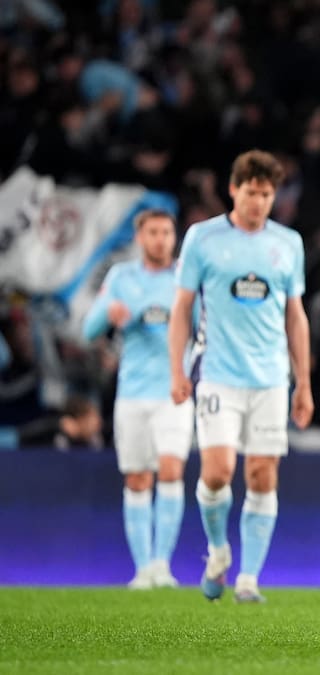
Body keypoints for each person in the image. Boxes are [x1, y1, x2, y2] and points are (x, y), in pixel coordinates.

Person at [168, 150, 313, 603]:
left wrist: (303, 382)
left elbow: (296, 316)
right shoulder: (203, 238)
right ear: (234, 190)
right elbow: (182, 308)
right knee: (217, 472)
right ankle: (217, 550)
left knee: (262, 474)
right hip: (217, 373)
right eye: (251, 193)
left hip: (270, 378)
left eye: (267, 194)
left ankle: (249, 578)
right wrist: (177, 369)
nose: (259, 203)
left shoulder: (288, 243)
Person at [82, 209, 193, 589]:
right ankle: (142, 569)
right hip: (132, 393)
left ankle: (163, 565)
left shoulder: (186, 278)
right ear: (140, 238)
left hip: (174, 392)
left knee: (172, 470)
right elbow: (88, 330)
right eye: (153, 233)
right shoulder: (121, 278)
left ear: (174, 237)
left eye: (166, 232)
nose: (161, 239)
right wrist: (109, 316)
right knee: (137, 477)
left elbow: (206, 326)